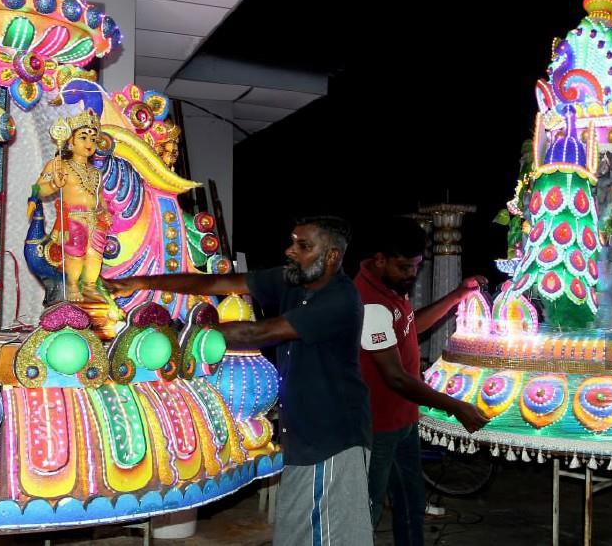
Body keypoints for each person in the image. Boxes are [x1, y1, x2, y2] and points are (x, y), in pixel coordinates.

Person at [103, 216, 374, 546]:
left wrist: (179, 334)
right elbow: (219, 283)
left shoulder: (340, 300)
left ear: (331, 256)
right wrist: (141, 283)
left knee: (327, 535)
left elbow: (257, 333)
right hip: (305, 436)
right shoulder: (295, 280)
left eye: (303, 246)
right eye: (292, 241)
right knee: (295, 534)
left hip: (332, 440)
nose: (290, 250)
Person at [355, 217, 490, 545]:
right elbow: (396, 378)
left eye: (416, 266)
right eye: (404, 267)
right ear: (380, 259)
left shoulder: (390, 288)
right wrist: (455, 406)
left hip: (403, 419)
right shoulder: (370, 303)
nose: (411, 275)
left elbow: (409, 328)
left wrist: (458, 295)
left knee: (411, 503)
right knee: (368, 509)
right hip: (378, 425)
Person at [36, 116, 112, 301]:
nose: (89, 143)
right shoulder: (59, 165)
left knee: (95, 255)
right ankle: (72, 287)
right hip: (73, 218)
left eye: (93, 139)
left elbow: (99, 197)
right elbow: (37, 190)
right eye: (83, 137)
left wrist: (104, 211)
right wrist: (54, 184)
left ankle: (90, 287)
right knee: (76, 255)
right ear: (70, 141)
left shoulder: (96, 172)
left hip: (95, 219)